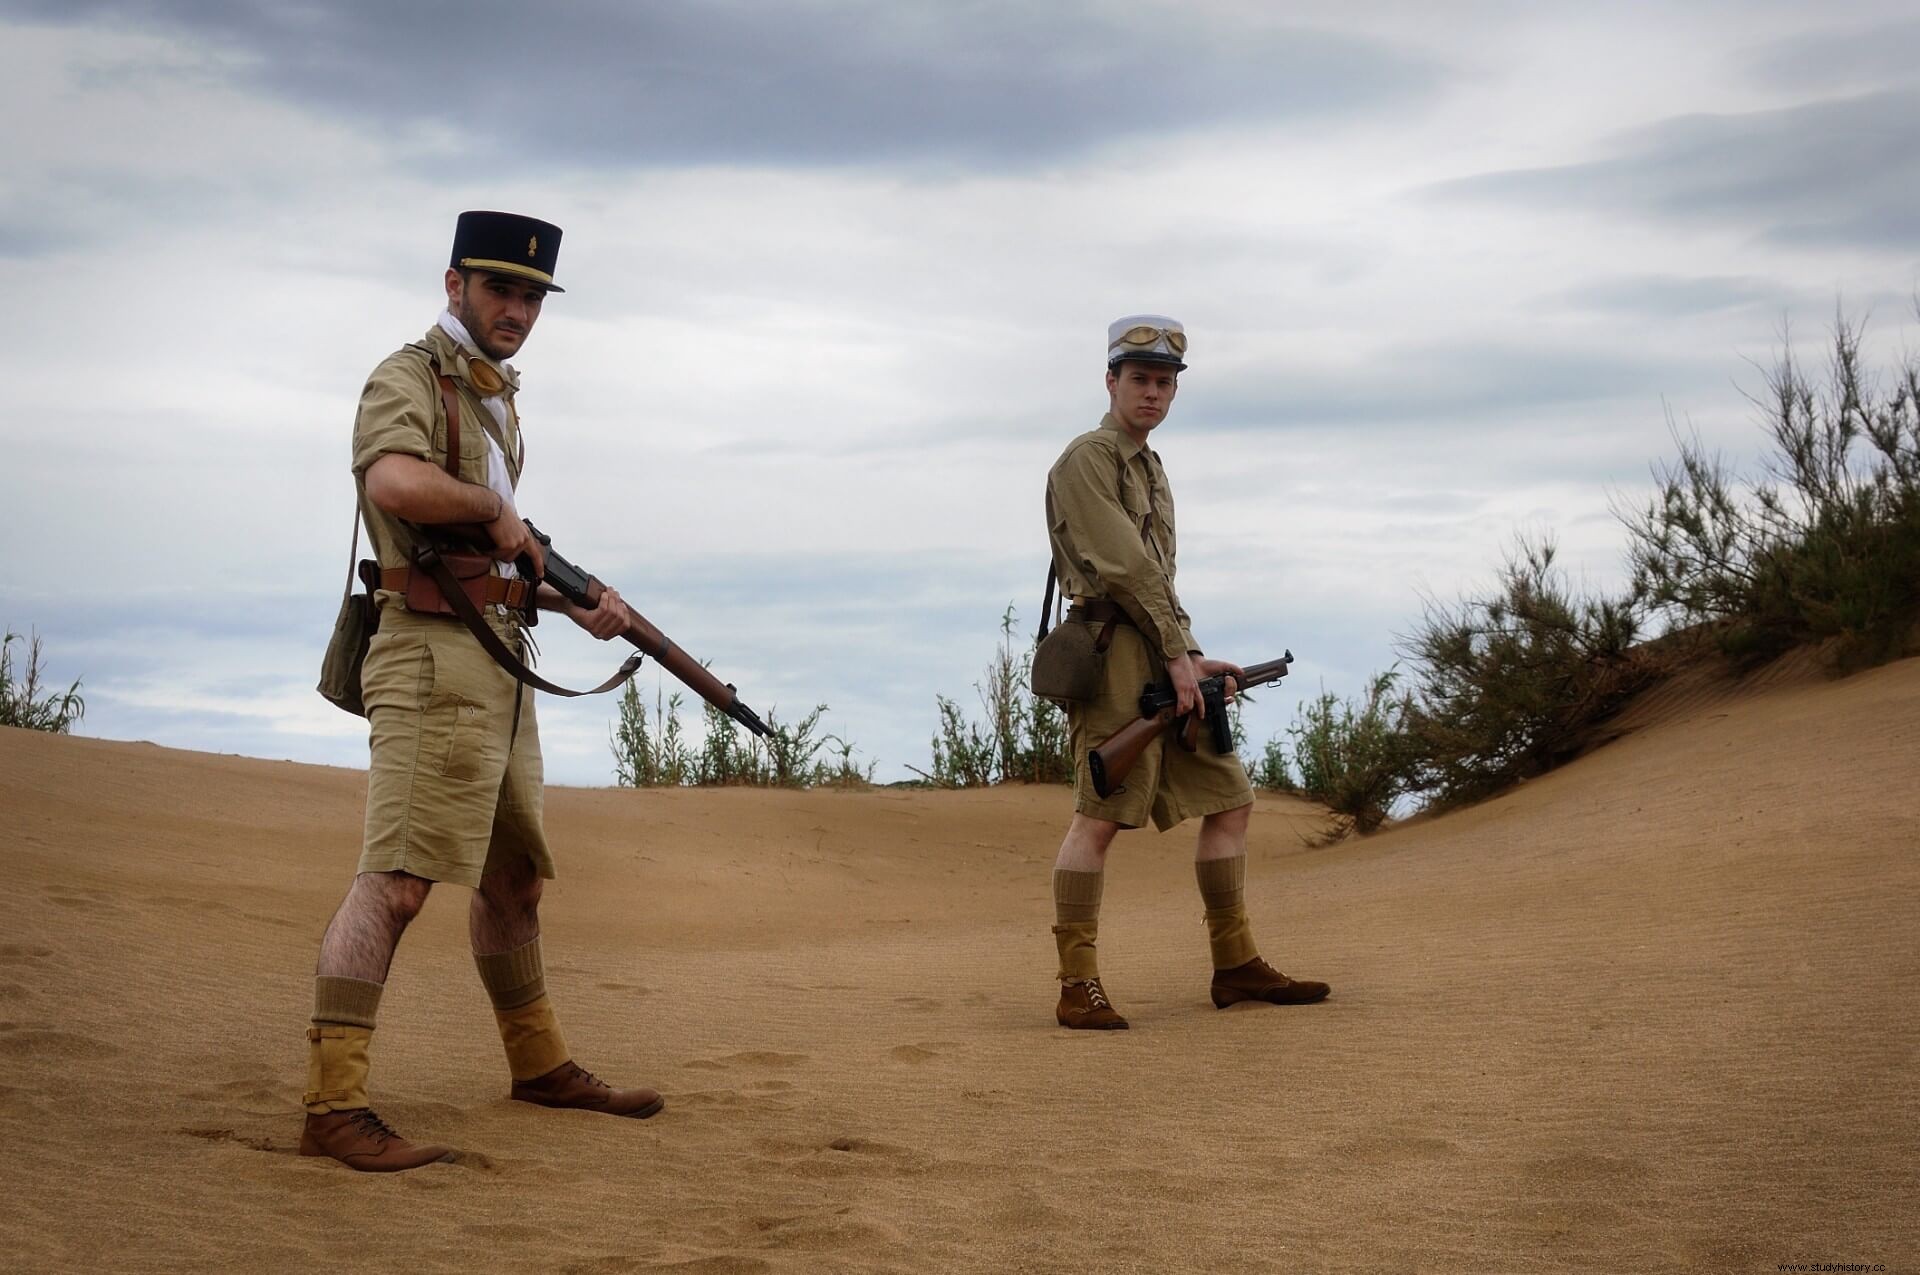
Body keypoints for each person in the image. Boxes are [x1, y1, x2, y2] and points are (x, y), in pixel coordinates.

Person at [300, 211, 661, 1172]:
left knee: (515, 876)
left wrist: (565, 597)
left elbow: (485, 551)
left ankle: (538, 1064)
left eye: (533, 294)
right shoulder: (410, 375)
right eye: (499, 288)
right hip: (427, 656)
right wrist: (495, 507)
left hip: (492, 656)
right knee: (400, 879)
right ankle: (334, 1101)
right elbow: (393, 481)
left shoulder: (495, 399)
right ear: (453, 283)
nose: (516, 309)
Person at [1042, 315, 1331, 1030]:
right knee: (1099, 818)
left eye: (1164, 382)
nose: (1153, 393)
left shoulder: (1150, 465)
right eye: (1139, 378)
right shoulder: (1088, 458)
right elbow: (1126, 569)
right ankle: (1077, 983)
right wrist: (1178, 657)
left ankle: (1235, 963)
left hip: (1164, 653)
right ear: (1110, 380)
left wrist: (1192, 655)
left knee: (1230, 799)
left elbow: (1159, 581)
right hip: (1116, 658)